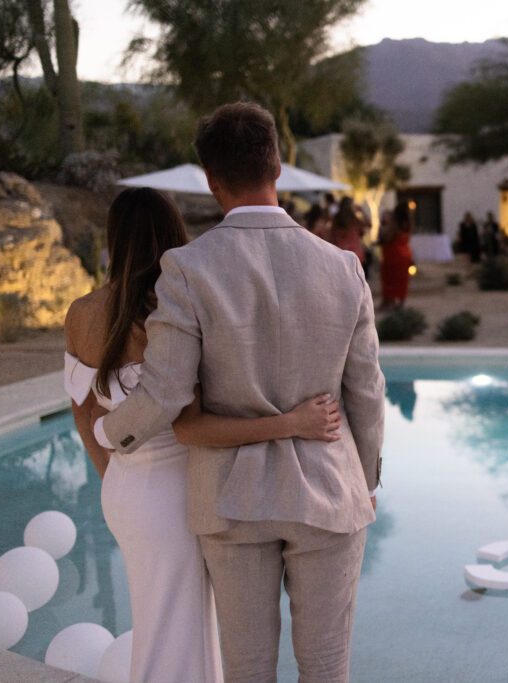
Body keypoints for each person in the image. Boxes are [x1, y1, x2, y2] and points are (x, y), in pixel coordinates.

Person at [92, 103, 384, 682]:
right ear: (276, 165)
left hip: (231, 501)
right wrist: (367, 479)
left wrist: (109, 431)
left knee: (247, 670)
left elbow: (165, 393)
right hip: (329, 492)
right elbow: (367, 393)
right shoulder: (343, 267)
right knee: (326, 666)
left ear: (211, 180)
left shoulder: (186, 268)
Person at [65, 187, 343, 683]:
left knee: (161, 620)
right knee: (187, 625)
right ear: (174, 234)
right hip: (183, 486)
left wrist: (117, 477)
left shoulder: (81, 313)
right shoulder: (172, 308)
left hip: (125, 491)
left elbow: (82, 412)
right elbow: (187, 417)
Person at [379, 204, 413, 309]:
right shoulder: (408, 224)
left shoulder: (395, 224)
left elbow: (387, 238)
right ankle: (401, 303)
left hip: (393, 254)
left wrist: (382, 229)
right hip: (405, 253)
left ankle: (389, 302)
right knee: (402, 280)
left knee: (389, 279)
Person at [331, 197, 368, 273]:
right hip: (355, 254)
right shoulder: (354, 220)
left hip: (340, 252)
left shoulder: (336, 219)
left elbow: (332, 236)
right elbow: (369, 224)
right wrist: (362, 210)